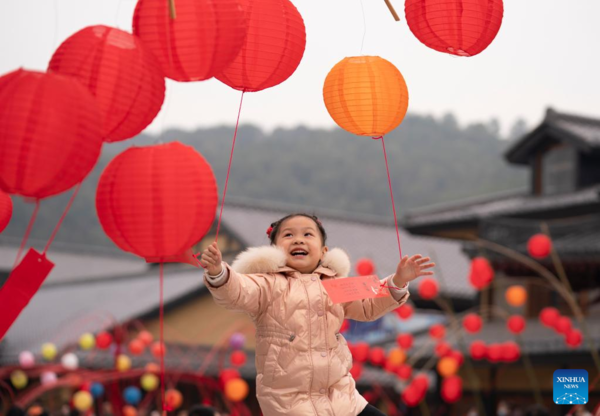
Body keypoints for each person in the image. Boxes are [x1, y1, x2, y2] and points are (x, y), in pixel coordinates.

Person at [199, 213, 435, 416]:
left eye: (308, 234)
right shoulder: (266, 284)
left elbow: (368, 305)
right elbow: (237, 291)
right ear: (274, 249)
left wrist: (398, 280)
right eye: (288, 235)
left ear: (323, 251)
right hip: (288, 402)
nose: (298, 239)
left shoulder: (335, 284)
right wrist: (219, 272)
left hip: (342, 398)